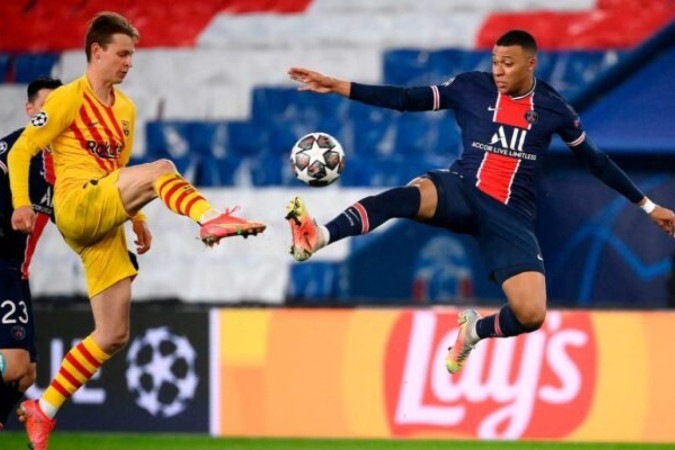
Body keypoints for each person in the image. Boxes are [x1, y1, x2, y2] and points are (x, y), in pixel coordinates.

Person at [285, 29, 675, 374]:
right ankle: (317, 236)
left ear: (530, 64)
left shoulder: (554, 109)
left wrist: (648, 206)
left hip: (510, 217)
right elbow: (407, 98)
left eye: (507, 63)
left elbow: (596, 161)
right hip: (463, 189)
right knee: (405, 198)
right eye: (495, 62)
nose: (499, 70)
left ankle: (473, 331)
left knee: (531, 314)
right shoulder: (471, 86)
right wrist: (339, 86)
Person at [8, 11, 265, 449]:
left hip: (103, 214)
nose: (129, 63)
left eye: (133, 55)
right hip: (76, 203)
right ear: (96, 51)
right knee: (163, 167)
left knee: (112, 334)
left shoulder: (125, 109)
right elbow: (21, 152)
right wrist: (21, 204)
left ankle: (44, 407)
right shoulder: (67, 98)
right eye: (123, 54)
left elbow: (120, 170)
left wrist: (139, 219)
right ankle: (209, 218)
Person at [0, 76, 63, 430]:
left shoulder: (64, 163)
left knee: (25, 378)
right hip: (2, 264)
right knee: (12, 365)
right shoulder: (12, 152)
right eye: (45, 107)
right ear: (30, 110)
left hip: (18, 273)